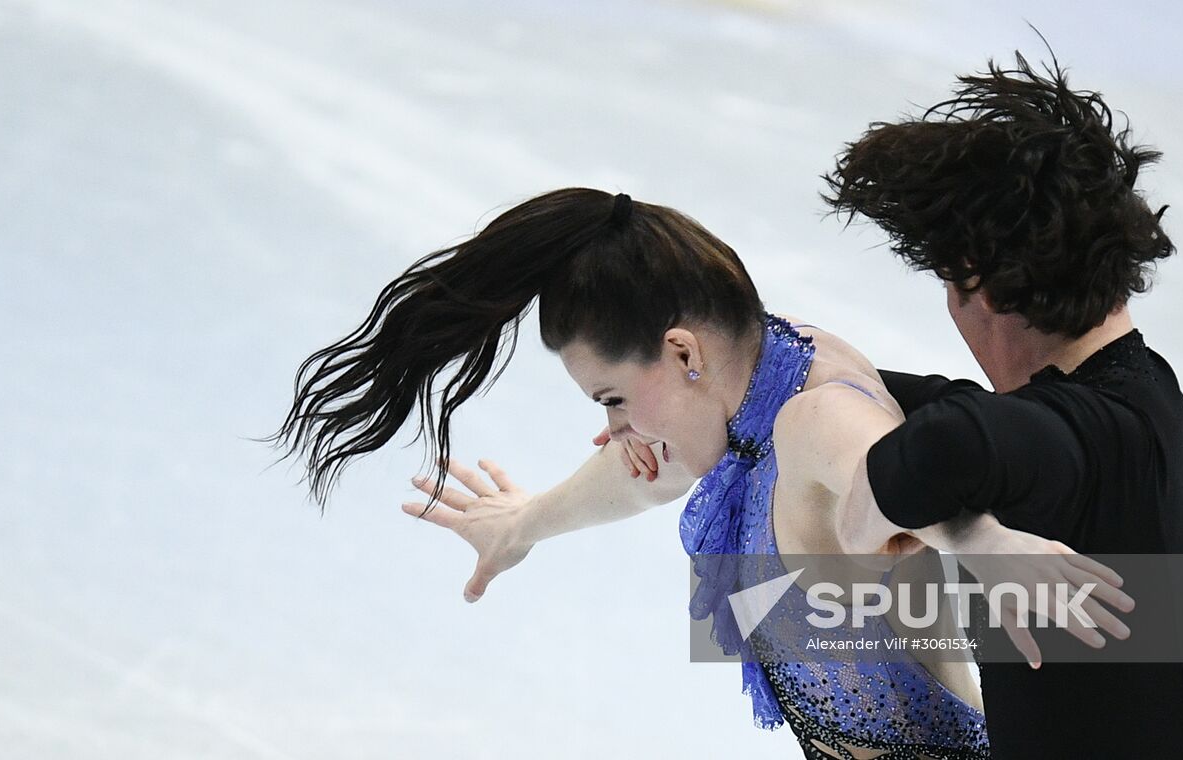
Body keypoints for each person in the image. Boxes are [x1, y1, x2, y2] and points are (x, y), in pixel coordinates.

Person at [263, 187, 1130, 759]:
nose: (614, 431)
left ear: (681, 350)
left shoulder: (815, 409)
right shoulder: (742, 385)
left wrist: (984, 540)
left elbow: (882, 471)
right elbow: (650, 474)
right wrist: (522, 523)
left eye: (611, 399)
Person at [820, 52, 1183, 758]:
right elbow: (971, 413)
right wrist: (813, 367)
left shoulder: (1083, 436)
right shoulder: (1143, 396)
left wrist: (951, 536)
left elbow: (941, 449)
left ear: (977, 286)